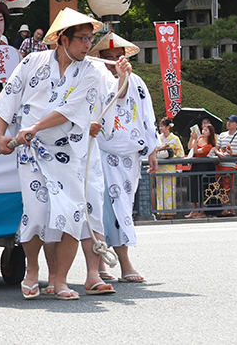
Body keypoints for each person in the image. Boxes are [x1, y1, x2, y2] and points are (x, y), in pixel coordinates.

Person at [0, 8, 109, 300]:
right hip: (30, 150)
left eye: (90, 39)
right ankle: (32, 270)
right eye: (82, 38)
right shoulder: (33, 61)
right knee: (37, 212)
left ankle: (60, 280)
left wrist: (34, 127)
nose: (87, 44)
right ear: (63, 39)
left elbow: (69, 110)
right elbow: (10, 95)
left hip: (68, 151)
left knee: (71, 212)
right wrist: (1, 134)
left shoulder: (92, 72)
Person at [90, 31, 157, 284]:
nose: (117, 60)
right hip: (103, 152)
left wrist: (152, 149)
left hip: (130, 154)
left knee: (123, 206)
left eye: (120, 56)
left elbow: (147, 115)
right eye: (111, 57)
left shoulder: (137, 81)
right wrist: (119, 76)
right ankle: (107, 262)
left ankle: (112, 262)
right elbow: (113, 97)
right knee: (104, 208)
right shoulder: (98, 78)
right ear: (101, 58)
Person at [215, 114, 237, 216]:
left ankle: (230, 208)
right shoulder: (222, 135)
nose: (228, 123)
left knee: (228, 188)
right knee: (220, 188)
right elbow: (216, 148)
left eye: (231, 122)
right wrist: (218, 153)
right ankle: (225, 209)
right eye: (228, 121)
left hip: (230, 165)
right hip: (220, 163)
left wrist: (232, 154)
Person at [187, 123, 217, 218]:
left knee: (202, 189)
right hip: (195, 166)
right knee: (193, 187)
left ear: (210, 133)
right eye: (203, 129)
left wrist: (195, 140)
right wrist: (192, 138)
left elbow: (196, 151)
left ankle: (202, 211)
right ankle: (194, 210)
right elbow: (190, 147)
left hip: (203, 167)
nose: (203, 131)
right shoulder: (199, 139)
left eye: (206, 130)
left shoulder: (209, 145)